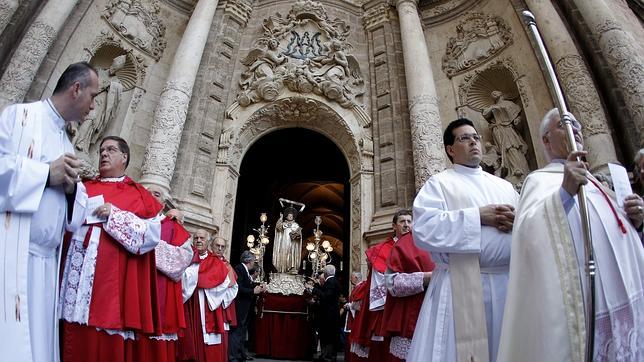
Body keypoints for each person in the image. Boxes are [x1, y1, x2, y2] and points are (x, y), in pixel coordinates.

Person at [498, 109, 644, 361]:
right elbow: (528, 236)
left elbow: (620, 235)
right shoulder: (539, 181)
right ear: (545, 140)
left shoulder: (599, 183)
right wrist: (564, 193)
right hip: (585, 303)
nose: (575, 128)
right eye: (563, 124)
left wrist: (637, 221)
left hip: (627, 298)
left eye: (577, 124)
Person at [0, 61, 98, 361]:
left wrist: (70, 191)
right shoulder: (21, 116)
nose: (93, 108)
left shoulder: (67, 142)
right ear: (76, 89)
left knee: (39, 346)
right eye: (93, 97)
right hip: (14, 252)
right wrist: (44, 174)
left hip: (46, 263)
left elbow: (75, 211)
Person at [408, 118, 519, 362]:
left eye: (475, 137)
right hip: (459, 285)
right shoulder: (439, 184)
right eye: (464, 138)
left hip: (506, 284)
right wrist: (477, 216)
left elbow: (526, 228)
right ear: (450, 149)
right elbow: (424, 229)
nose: (473, 142)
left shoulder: (505, 186)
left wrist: (517, 221)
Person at [59, 136, 164, 361]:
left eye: (111, 150)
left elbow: (152, 235)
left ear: (124, 157)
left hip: (110, 283)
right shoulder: (83, 188)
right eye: (101, 151)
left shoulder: (138, 194)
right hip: (72, 278)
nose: (104, 154)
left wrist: (115, 215)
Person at [141, 185, 194, 362]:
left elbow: (181, 261)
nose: (150, 196)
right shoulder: (130, 219)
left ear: (163, 204)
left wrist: (146, 243)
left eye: (156, 194)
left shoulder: (174, 229)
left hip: (159, 291)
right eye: (146, 193)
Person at [381, 209, 435, 361]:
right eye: (402, 222)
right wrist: (425, 278)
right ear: (394, 226)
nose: (407, 225)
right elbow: (392, 282)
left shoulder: (438, 238)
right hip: (411, 311)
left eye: (409, 221)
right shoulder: (401, 245)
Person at [178, 229, 236, 362]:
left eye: (202, 238)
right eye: (196, 238)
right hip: (189, 303)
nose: (198, 240)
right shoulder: (186, 256)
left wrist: (200, 281)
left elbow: (225, 283)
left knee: (205, 342)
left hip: (206, 304)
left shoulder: (215, 261)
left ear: (208, 242)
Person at [348, 237, 395, 362]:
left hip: (380, 317)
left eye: (368, 261)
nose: (368, 263)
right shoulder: (367, 284)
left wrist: (351, 306)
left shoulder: (368, 283)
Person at [73, 55, 125, 155]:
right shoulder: (99, 71)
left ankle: (83, 144)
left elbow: (117, 99)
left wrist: (111, 86)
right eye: (116, 64)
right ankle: (77, 141)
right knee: (86, 119)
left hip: (101, 106)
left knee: (92, 121)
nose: (116, 67)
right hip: (89, 100)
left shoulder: (116, 83)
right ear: (113, 62)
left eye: (119, 67)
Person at [481, 90, 530, 185]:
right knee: (504, 150)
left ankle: (518, 168)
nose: (493, 93)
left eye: (495, 92)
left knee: (512, 146)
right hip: (498, 131)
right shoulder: (492, 107)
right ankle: (509, 171)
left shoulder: (509, 104)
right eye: (492, 93)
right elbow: (485, 114)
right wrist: (492, 108)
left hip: (508, 128)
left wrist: (517, 120)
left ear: (501, 94)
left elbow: (517, 116)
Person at [229, 250, 266, 362]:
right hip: (239, 306)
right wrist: (252, 291)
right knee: (236, 332)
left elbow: (248, 284)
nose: (254, 264)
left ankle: (240, 355)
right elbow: (238, 287)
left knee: (241, 331)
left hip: (244, 307)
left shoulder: (244, 270)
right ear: (249, 261)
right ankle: (233, 357)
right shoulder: (239, 269)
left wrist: (258, 287)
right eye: (254, 261)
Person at [211, 236, 239, 354]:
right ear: (211, 246)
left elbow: (233, 286)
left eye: (222, 247)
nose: (220, 249)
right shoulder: (206, 261)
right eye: (217, 246)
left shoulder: (227, 265)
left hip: (221, 304)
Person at [313, 264, 341, 362]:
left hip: (329, 314)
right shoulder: (333, 281)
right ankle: (327, 355)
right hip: (331, 314)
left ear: (325, 272)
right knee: (328, 334)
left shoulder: (330, 281)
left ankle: (328, 356)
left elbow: (326, 296)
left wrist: (314, 289)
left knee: (328, 334)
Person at [272, 201, 304, 273]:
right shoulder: (284, 224)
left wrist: (297, 235)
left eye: (291, 216)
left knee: (291, 253)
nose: (290, 217)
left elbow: (299, 235)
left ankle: (291, 268)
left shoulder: (296, 225)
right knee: (284, 253)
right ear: (286, 216)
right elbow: (278, 228)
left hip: (292, 243)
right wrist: (280, 218)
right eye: (289, 216)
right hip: (284, 242)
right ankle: (282, 268)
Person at [343, 272, 367, 362]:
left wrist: (349, 306)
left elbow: (359, 304)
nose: (350, 279)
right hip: (351, 317)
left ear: (356, 278)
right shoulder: (356, 288)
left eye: (352, 277)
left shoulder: (361, 287)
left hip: (355, 319)